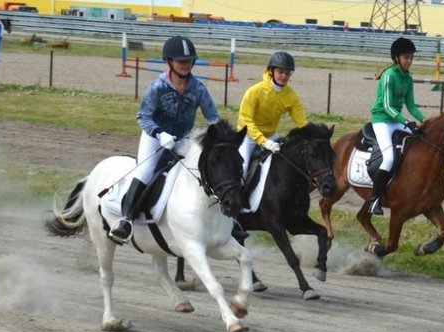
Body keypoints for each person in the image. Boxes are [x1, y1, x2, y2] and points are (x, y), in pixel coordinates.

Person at [109, 35, 219, 243]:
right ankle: (125, 220)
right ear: (169, 61)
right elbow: (143, 116)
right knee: (146, 170)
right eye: (181, 61)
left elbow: (213, 117)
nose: (185, 65)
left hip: (183, 139)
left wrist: (211, 135)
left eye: (189, 61)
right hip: (155, 136)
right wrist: (160, 133)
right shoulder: (157, 87)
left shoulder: (199, 89)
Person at [367, 37, 425, 216]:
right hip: (382, 121)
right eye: (406, 57)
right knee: (389, 158)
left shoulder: (408, 78)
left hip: (396, 120)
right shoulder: (388, 76)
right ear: (396, 58)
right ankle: (374, 199)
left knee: (421, 141)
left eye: (411, 57)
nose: (409, 61)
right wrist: (406, 122)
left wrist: (426, 122)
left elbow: (412, 106)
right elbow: (387, 106)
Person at [237, 51, 308, 178]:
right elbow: (245, 121)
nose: (284, 76)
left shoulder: (291, 95)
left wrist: (313, 135)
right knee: (242, 168)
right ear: (271, 71)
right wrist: (263, 141)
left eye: (287, 73)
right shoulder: (254, 91)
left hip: (271, 137)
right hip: (248, 137)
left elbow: (302, 121)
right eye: (280, 72)